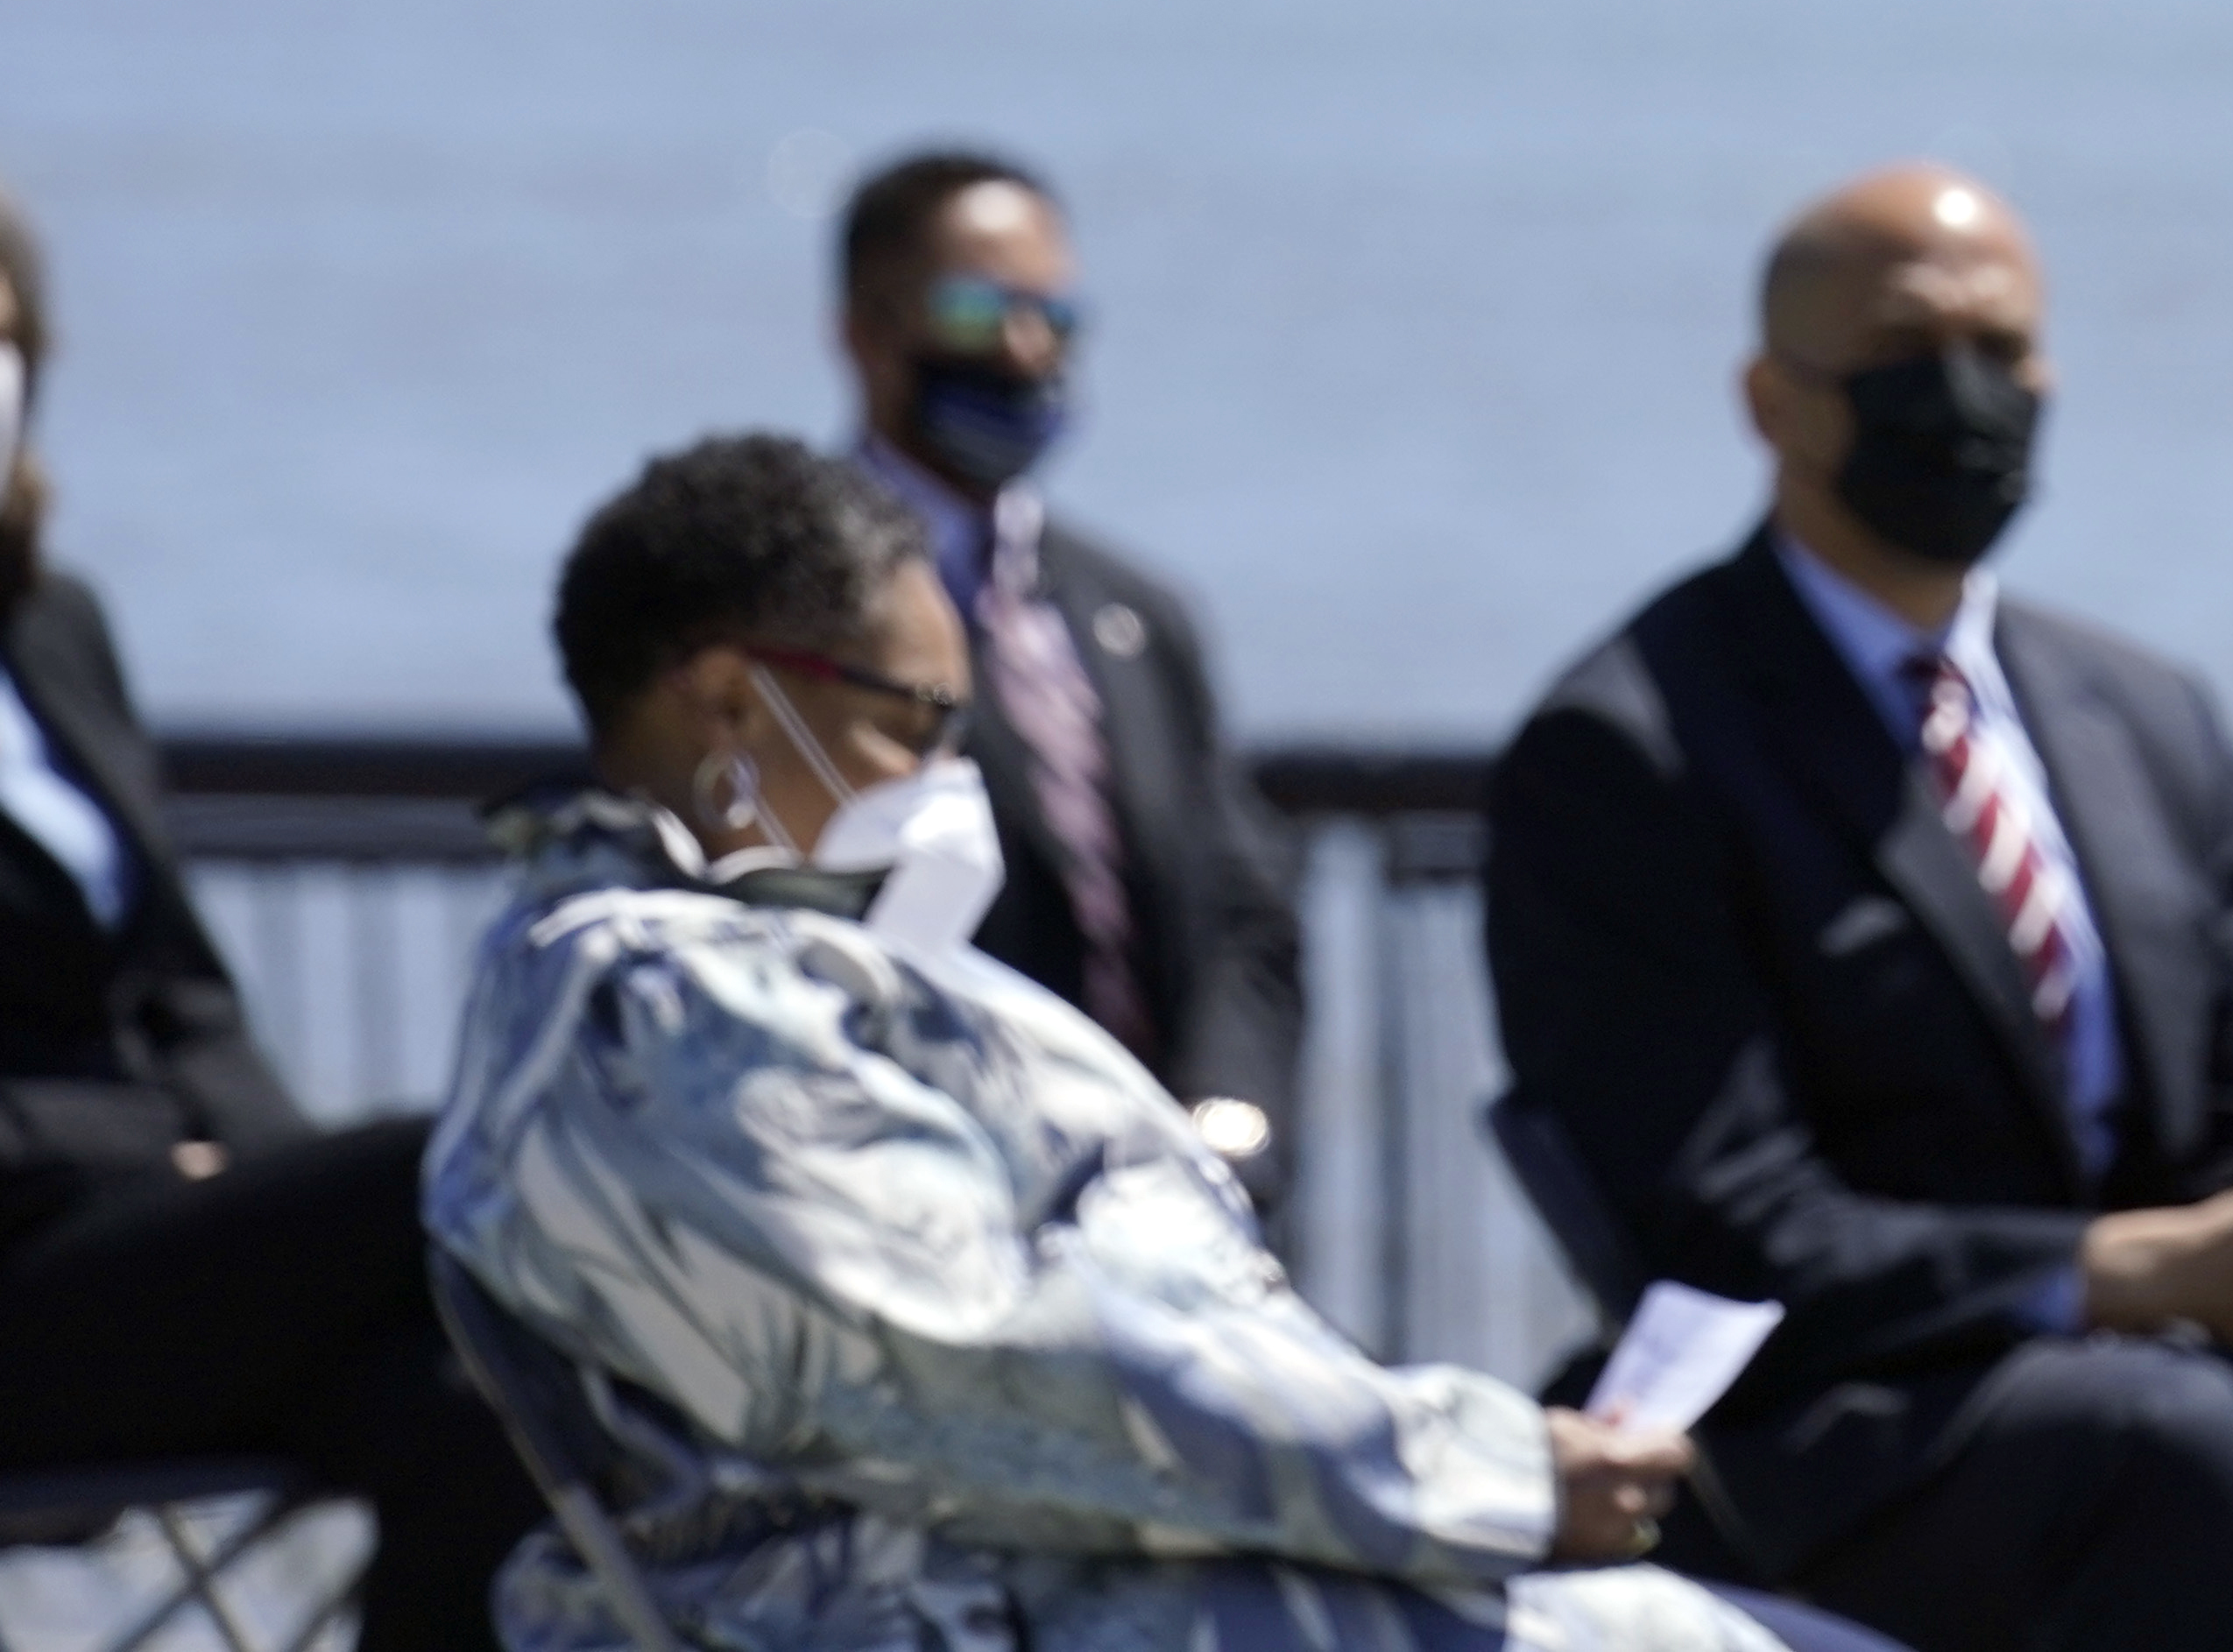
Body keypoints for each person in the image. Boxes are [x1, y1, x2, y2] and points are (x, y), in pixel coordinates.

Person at [427, 430, 1895, 1652]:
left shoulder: (726, 977)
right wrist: (1486, 1469)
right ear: (732, 700)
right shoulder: (657, 1011)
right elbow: (983, 1373)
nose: (950, 777)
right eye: (916, 722)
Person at [1482, 166, 2233, 1652]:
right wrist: (2107, 1275)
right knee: (2172, 1439)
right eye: (1910, 356)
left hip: (2161, 1378)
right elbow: (1715, 1228)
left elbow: (2226, 1136)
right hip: (1816, 1426)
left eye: (2005, 350)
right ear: (1772, 401)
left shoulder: (2144, 715)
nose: (1966, 398)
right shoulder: (1632, 744)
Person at [0, 180, 534, 1651]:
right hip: (29, 1272)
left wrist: (253, 1166)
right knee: (471, 1150)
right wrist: (160, 1157)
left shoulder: (53, 626)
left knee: (483, 1398)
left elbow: (183, 990)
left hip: (147, 1253)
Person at [836, 148, 1304, 1199]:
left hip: (1164, 1213)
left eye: (1055, 316)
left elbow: (1242, 902)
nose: (1025, 347)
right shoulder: (789, 608)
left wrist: (1227, 1128)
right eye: (977, 311)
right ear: (865, 331)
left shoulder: (1133, 609)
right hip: (932, 1211)